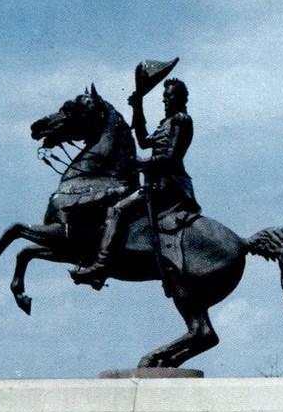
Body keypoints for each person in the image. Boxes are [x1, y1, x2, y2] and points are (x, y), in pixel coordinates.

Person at [70, 78, 200, 288]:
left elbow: (172, 158)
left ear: (181, 98)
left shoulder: (181, 120)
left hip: (168, 185)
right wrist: (137, 107)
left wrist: (142, 161)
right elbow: (143, 141)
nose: (166, 100)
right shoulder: (166, 123)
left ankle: (101, 266)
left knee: (117, 210)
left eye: (170, 96)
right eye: (164, 96)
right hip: (156, 183)